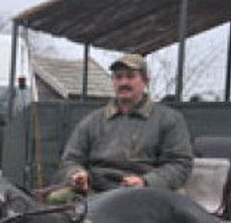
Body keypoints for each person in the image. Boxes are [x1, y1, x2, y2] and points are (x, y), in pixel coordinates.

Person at [54, 53, 193, 196]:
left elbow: (180, 164)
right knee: (55, 201)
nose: (123, 82)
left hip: (144, 193)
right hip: (94, 190)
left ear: (146, 81)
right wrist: (77, 174)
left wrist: (146, 181)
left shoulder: (169, 119)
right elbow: (70, 159)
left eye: (130, 76)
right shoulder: (92, 121)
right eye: (118, 77)